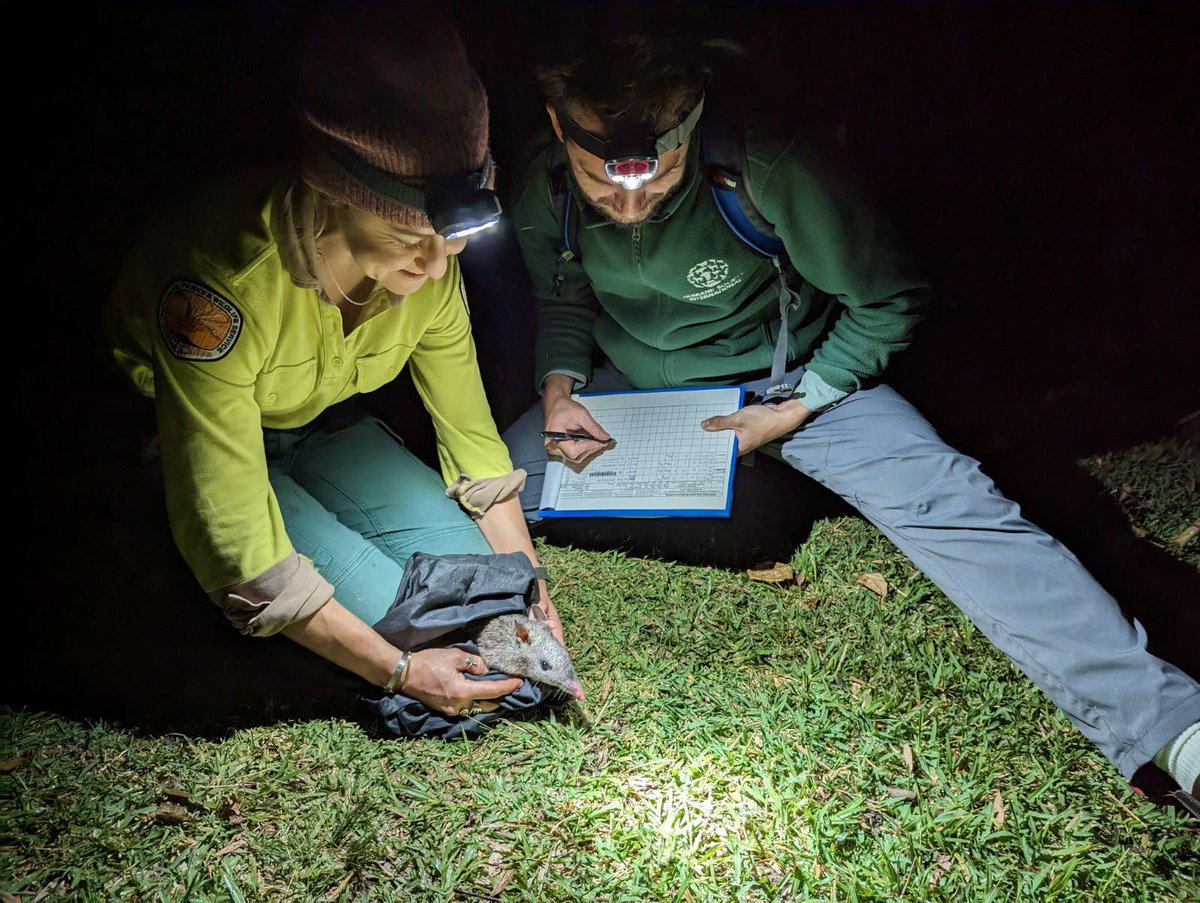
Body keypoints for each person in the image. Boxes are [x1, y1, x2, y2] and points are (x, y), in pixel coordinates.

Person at [500, 30, 1200, 813]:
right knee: (509, 475)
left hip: (790, 380)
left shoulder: (766, 163)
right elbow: (563, 297)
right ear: (561, 129)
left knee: (954, 504)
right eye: (605, 184)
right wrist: (560, 390)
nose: (629, 208)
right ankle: (764, 500)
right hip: (639, 390)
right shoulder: (546, 184)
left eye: (656, 176)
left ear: (692, 120)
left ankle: (1173, 728)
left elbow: (889, 298)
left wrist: (800, 405)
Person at [102, 5, 563, 722]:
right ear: (334, 193)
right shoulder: (217, 289)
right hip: (197, 437)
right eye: (409, 233)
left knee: (489, 591)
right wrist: (404, 671)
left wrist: (535, 595)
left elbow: (474, 445)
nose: (439, 263)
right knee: (408, 625)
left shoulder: (433, 268)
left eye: (455, 235)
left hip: (320, 424)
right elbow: (246, 557)